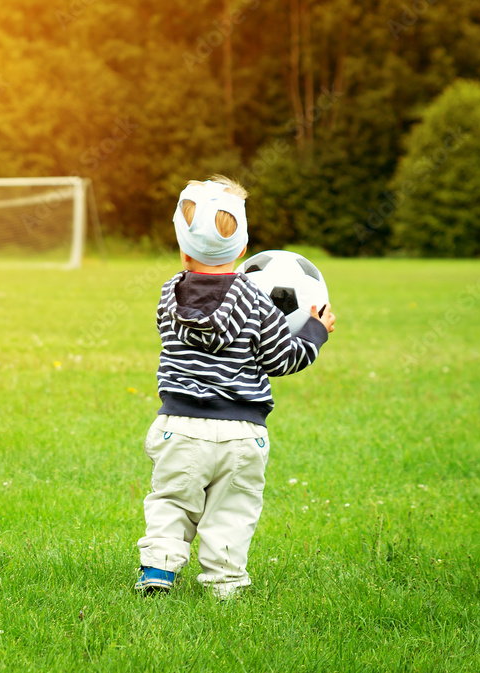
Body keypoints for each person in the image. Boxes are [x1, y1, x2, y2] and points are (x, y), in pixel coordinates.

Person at [135, 176, 336, 599]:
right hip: (241, 433)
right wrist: (316, 330)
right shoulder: (258, 301)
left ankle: (158, 569)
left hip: (178, 427)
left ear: (183, 249)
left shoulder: (167, 296)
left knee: (171, 500)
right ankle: (224, 585)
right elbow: (282, 359)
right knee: (232, 511)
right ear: (243, 251)